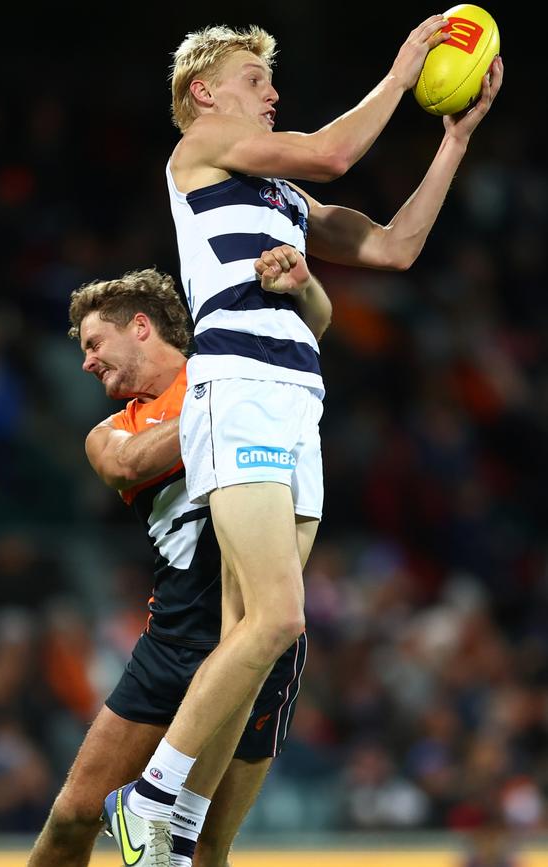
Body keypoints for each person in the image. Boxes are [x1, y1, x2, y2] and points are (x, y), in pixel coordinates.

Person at [103, 17, 504, 866]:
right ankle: (147, 798)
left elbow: (393, 248)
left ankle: (177, 829)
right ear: (205, 91)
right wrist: (400, 75)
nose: (272, 92)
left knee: (252, 636)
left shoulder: (282, 198)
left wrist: (455, 140)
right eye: (256, 78)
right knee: (281, 616)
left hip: (295, 398)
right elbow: (330, 152)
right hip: (239, 388)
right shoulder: (203, 145)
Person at [27, 249, 329, 867]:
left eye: (93, 342)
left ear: (141, 325)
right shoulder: (115, 429)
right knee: (72, 816)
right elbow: (126, 465)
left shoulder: (230, 377)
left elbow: (312, 330)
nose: (85, 362)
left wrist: (307, 285)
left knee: (203, 849)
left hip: (257, 640)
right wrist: (234, 403)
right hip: (175, 640)